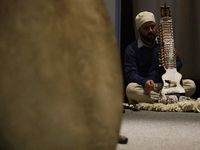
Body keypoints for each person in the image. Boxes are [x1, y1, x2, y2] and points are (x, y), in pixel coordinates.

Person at [124, 11, 196, 104]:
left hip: (167, 84)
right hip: (149, 88)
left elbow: (178, 64)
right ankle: (166, 99)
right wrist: (144, 82)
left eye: (153, 27)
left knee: (191, 85)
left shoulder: (165, 44)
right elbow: (131, 74)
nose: (151, 30)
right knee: (130, 89)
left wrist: (172, 61)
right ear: (139, 30)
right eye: (146, 28)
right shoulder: (132, 49)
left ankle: (158, 100)